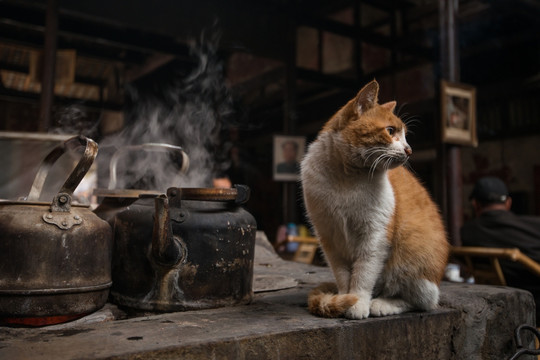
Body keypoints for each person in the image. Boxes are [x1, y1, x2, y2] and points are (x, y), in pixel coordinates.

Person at [461, 176, 540, 321]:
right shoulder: (535, 225)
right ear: (508, 203)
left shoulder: (468, 232)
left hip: (508, 302)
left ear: (476, 205)